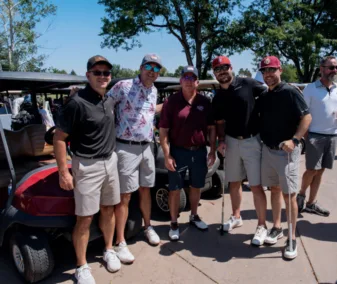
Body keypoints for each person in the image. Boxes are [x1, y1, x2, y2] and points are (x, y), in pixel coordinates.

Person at [54, 55, 121, 284]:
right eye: (97, 72)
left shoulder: (110, 100)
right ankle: (81, 266)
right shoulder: (76, 102)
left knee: (109, 209)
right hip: (87, 165)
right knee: (84, 218)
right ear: (88, 75)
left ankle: (109, 249)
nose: (103, 76)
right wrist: (64, 171)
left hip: (110, 162)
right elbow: (59, 138)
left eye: (106, 73)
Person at [107, 54, 163, 261]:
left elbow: (147, 113)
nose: (152, 71)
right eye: (149, 66)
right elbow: (105, 107)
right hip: (125, 147)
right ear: (140, 67)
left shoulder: (154, 91)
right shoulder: (123, 86)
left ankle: (148, 226)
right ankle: (120, 242)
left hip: (146, 147)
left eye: (156, 68)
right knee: (124, 196)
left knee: (146, 189)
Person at [258, 56, 311, 259]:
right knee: (275, 189)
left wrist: (296, 140)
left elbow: (307, 116)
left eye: (272, 70)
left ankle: (291, 237)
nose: (268, 74)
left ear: (280, 70)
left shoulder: (290, 91)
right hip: (268, 150)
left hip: (286, 151)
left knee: (289, 196)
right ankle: (277, 227)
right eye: (265, 71)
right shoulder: (264, 95)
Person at [212, 55, 268, 246]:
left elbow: (269, 95)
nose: (222, 72)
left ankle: (262, 225)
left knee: (255, 185)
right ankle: (236, 216)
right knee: (233, 182)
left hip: (252, 140)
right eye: (218, 69)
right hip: (231, 141)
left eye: (225, 67)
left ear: (231, 67)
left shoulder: (248, 84)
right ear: (215, 73)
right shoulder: (217, 96)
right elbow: (219, 121)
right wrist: (220, 139)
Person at [159, 66, 216, 240]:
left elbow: (211, 128)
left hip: (199, 151)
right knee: (175, 189)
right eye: (186, 77)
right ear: (180, 80)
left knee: (196, 186)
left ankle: (193, 216)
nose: (189, 81)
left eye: (192, 78)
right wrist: (167, 154)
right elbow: (163, 130)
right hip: (178, 151)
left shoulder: (205, 102)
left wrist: (212, 149)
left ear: (197, 82)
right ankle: (174, 222)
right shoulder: (171, 102)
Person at [297, 56, 337, 217]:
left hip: (332, 135)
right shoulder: (311, 88)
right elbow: (302, 114)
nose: (335, 71)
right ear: (322, 69)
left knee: (321, 170)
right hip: (314, 135)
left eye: (336, 67)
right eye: (331, 67)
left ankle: (311, 203)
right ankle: (301, 194)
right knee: (311, 170)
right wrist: (305, 135)